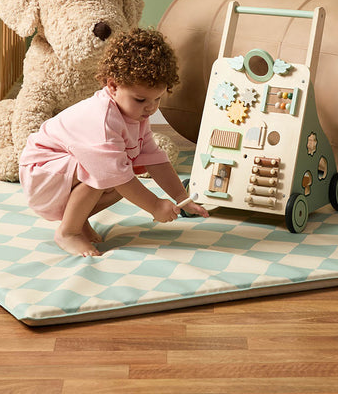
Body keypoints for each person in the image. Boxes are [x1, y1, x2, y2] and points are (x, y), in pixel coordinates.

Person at [19, 27, 208, 257]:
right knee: (107, 174)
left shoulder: (136, 116)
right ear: (113, 86)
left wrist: (181, 197)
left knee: (125, 179)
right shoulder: (103, 119)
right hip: (42, 173)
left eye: (157, 99)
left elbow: (155, 159)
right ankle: (68, 232)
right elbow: (113, 175)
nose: (150, 108)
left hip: (62, 173)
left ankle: (78, 221)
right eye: (140, 100)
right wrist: (155, 206)